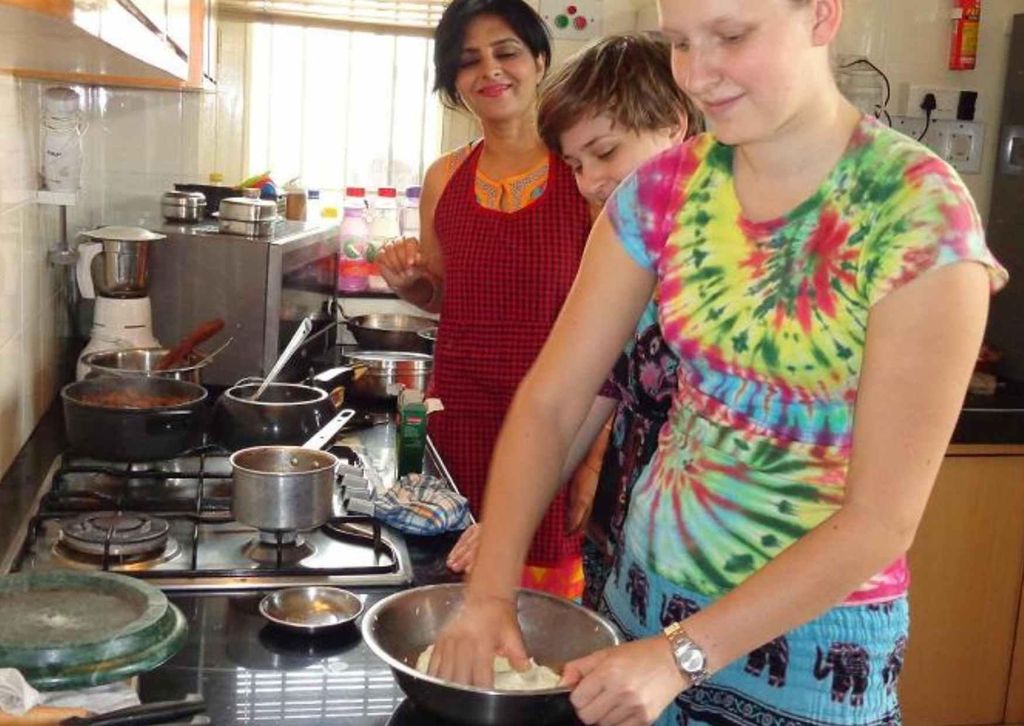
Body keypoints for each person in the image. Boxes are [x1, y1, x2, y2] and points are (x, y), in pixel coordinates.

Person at [427, 1, 1008, 724]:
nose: (699, 74)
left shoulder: (917, 212)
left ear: (822, 15)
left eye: (731, 36)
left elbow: (880, 521)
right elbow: (555, 402)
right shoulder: (662, 191)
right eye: (679, 44)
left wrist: (681, 655)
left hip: (809, 654)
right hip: (635, 611)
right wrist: (489, 593)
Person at [445, 33, 703, 612]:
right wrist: (506, 524)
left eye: (606, 152)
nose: (589, 182)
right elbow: (580, 398)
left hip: (717, 583)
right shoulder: (632, 254)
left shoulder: (732, 250)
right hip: (631, 560)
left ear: (674, 124)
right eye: (576, 164)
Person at [375, 0, 592, 599]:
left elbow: (614, 330)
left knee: (538, 604)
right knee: (450, 586)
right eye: (469, 61)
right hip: (461, 417)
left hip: (557, 423)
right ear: (454, 82)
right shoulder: (446, 176)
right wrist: (412, 285)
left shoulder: (581, 170)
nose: (490, 71)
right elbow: (444, 298)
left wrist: (594, 457)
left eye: (507, 52)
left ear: (540, 60)